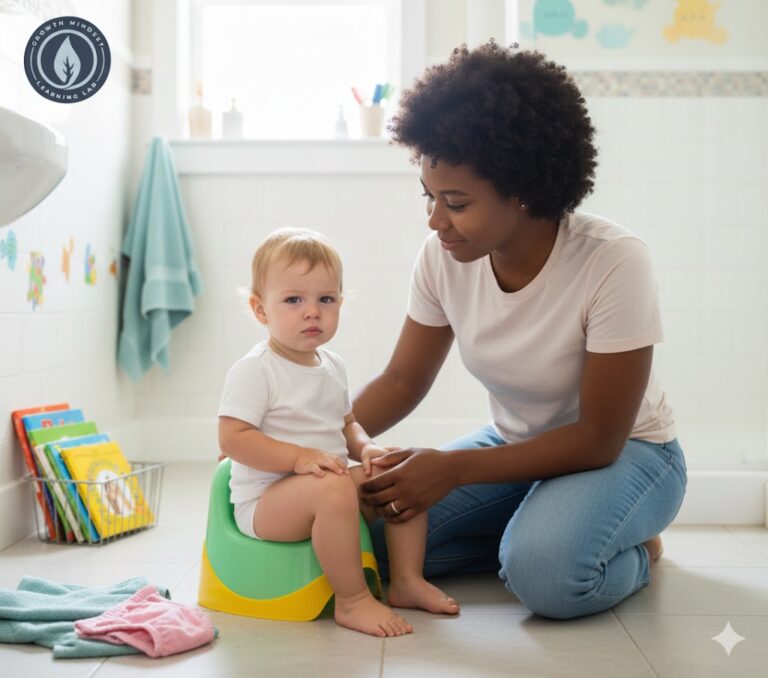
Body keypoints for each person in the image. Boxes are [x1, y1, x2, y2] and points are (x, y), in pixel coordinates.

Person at [354, 42, 688, 620]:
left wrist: (452, 470)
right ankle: (541, 531)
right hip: (515, 447)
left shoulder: (613, 261)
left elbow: (599, 438)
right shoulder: (441, 258)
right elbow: (402, 381)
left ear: (522, 191)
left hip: (628, 454)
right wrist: (306, 435)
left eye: (456, 202)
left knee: (547, 579)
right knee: (376, 537)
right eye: (429, 197)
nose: (436, 221)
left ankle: (627, 550)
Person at [217, 228, 459, 639]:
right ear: (260, 309)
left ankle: (406, 580)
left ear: (340, 304)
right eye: (293, 300)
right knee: (332, 488)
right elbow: (233, 438)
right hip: (266, 504)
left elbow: (346, 424)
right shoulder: (256, 370)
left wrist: (367, 449)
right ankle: (352, 600)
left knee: (400, 475)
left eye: (326, 300)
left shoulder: (331, 366)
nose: (312, 312)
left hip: (326, 486)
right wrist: (297, 458)